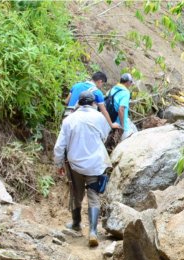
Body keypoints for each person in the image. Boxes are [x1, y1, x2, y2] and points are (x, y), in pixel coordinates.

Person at [54, 91, 111, 248]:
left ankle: (76, 223)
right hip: (95, 164)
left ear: (78, 103)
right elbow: (105, 136)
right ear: (93, 104)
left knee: (76, 194)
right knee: (94, 196)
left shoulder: (69, 120)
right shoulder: (100, 118)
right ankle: (93, 231)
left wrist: (58, 164)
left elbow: (59, 146)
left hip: (76, 165)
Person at [104, 73, 135, 152]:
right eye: (131, 82)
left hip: (110, 121)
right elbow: (121, 109)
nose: (131, 84)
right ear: (127, 82)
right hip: (119, 123)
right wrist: (123, 126)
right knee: (126, 147)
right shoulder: (125, 92)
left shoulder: (112, 89)